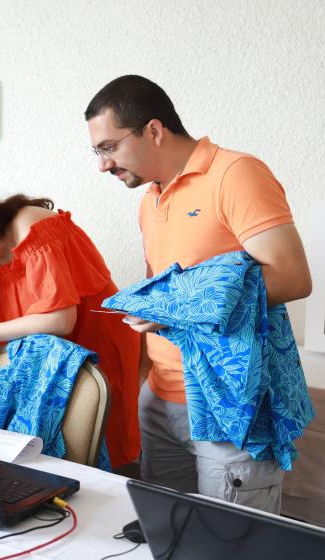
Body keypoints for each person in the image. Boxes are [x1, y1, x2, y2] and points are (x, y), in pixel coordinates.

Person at [85, 74, 313, 512]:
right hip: (161, 397)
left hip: (228, 401)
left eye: (109, 147)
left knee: (230, 544)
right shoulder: (150, 198)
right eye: (97, 152)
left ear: (153, 130)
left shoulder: (237, 174)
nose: (102, 165)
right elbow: (163, 291)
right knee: (167, 535)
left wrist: (177, 309)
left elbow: (293, 277)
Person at [0, 166, 141, 469]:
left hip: (97, 337)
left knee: (101, 447)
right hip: (50, 348)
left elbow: (61, 320)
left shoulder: (30, 226)